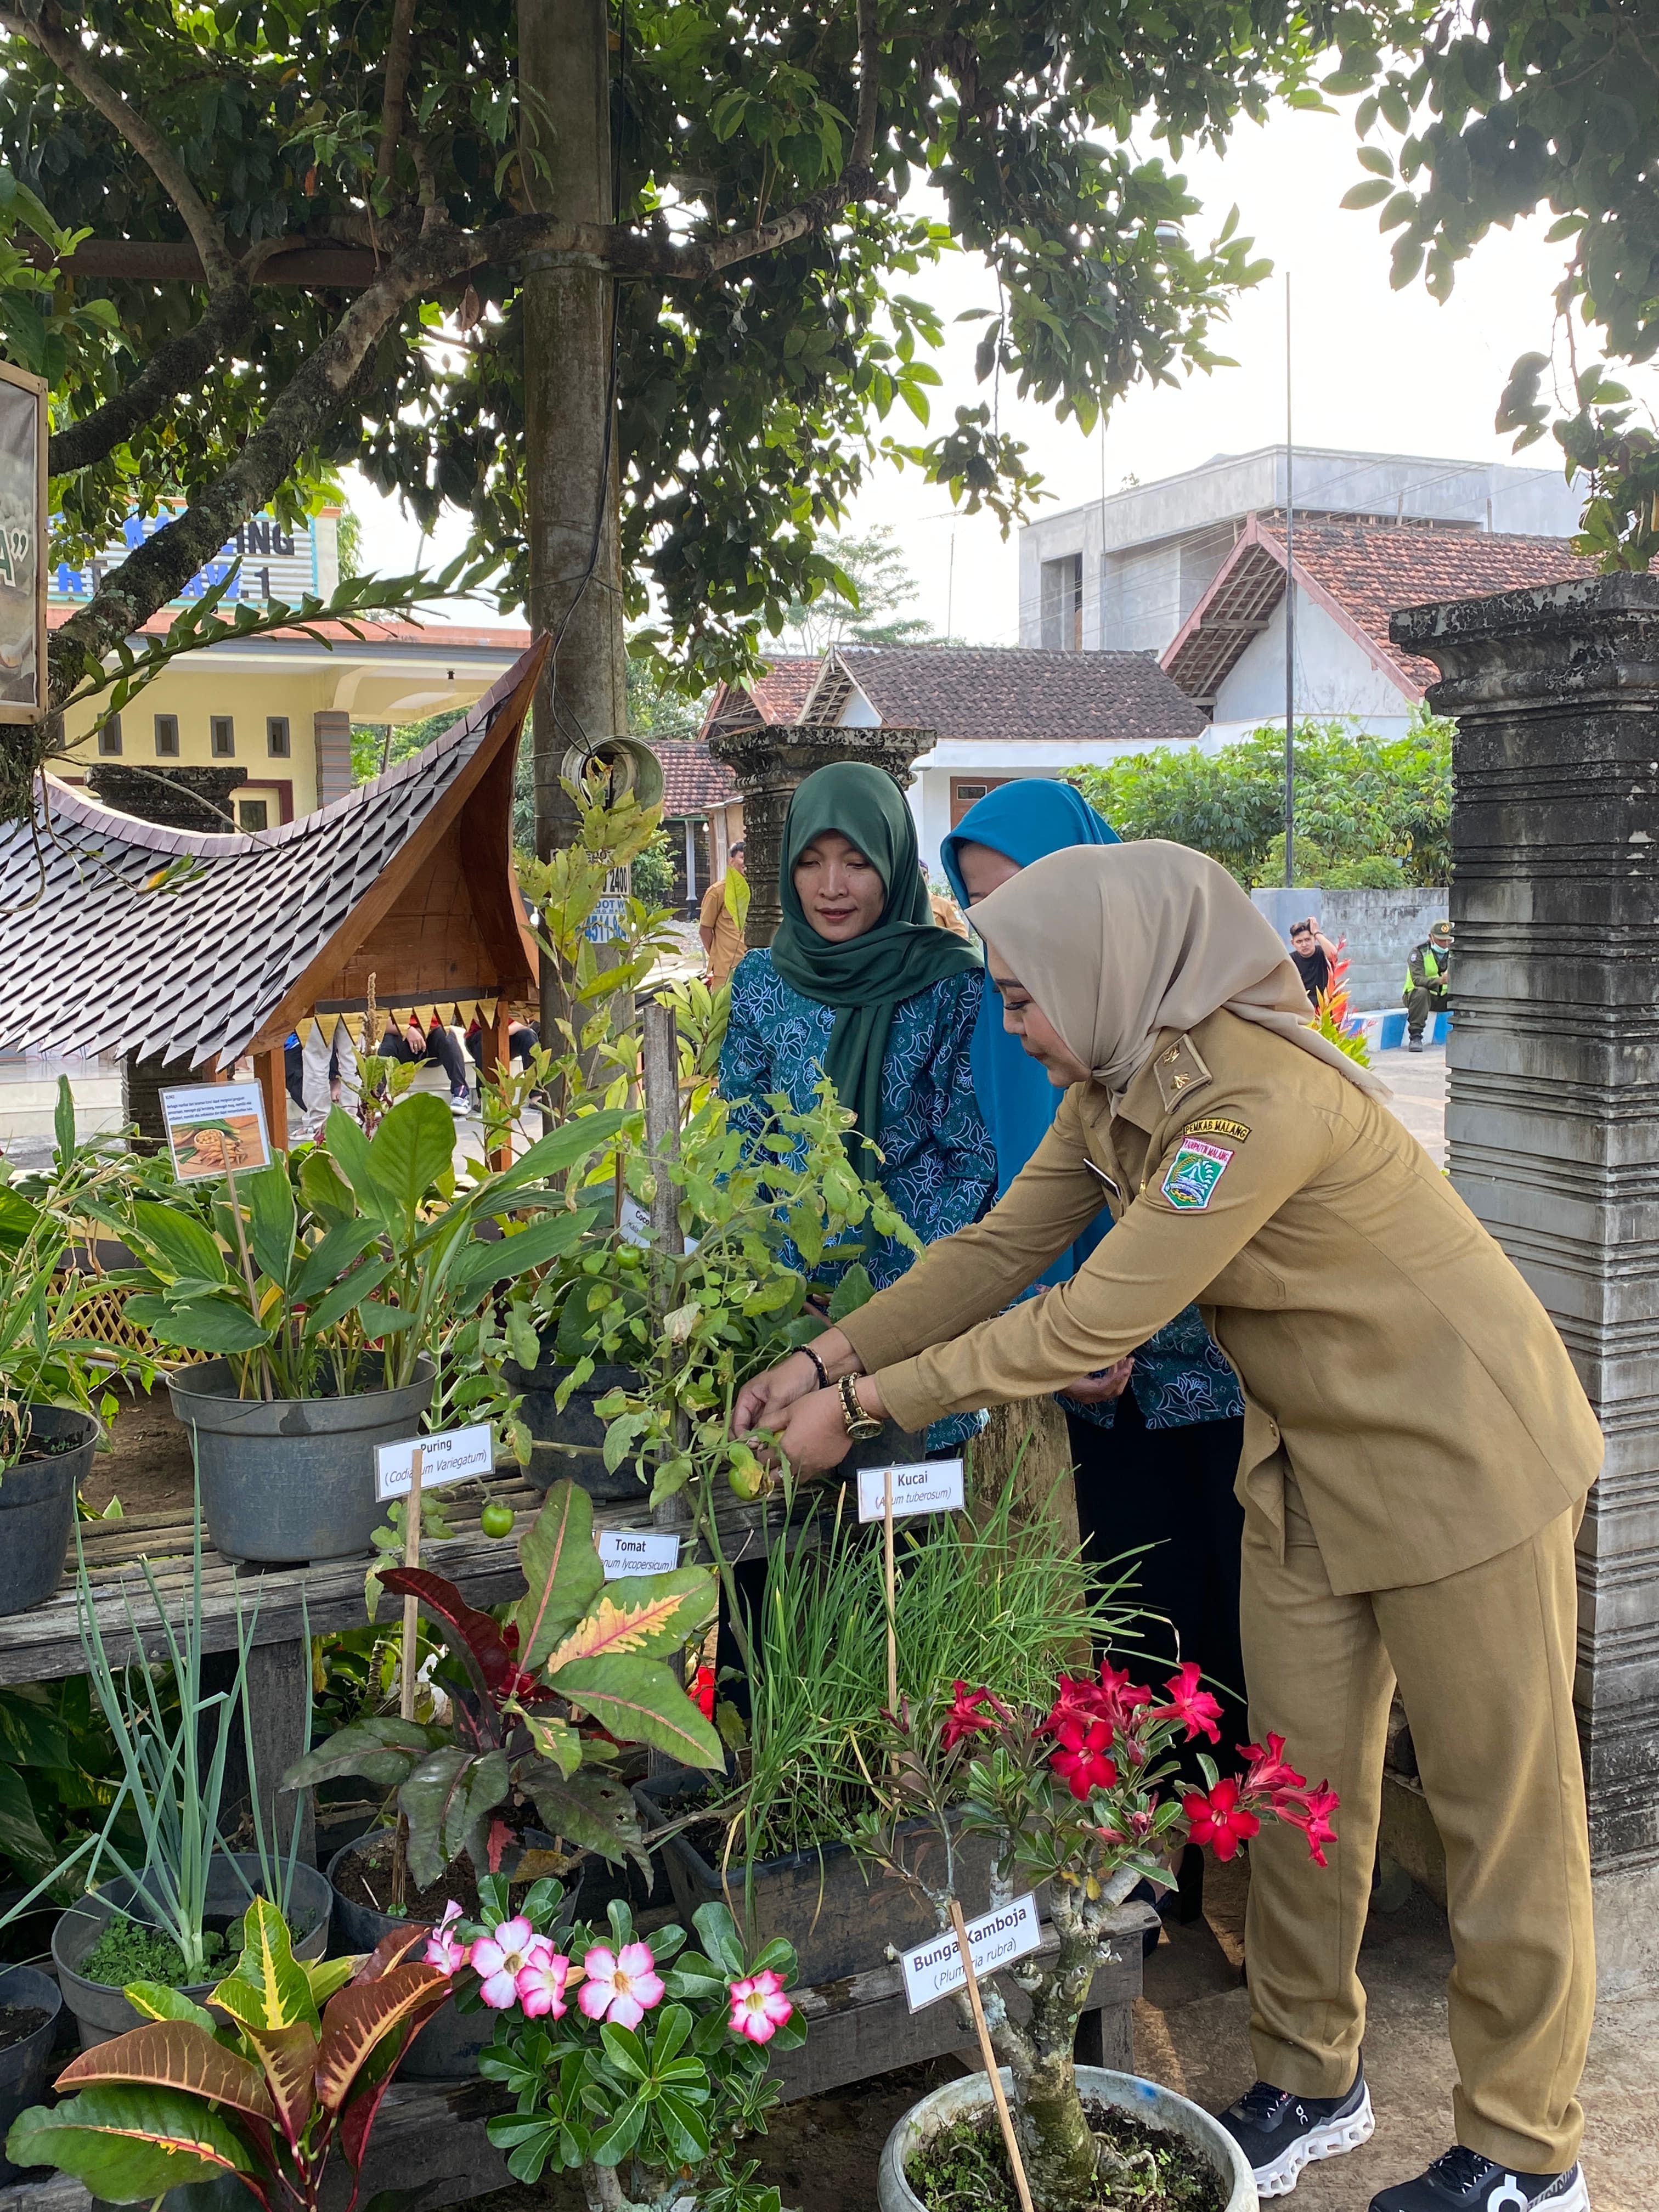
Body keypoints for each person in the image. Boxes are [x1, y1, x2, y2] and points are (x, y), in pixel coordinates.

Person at [734, 842, 1600, 2212]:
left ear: (1103, 971)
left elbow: (1087, 1322)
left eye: (1022, 997)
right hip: (1310, 1461)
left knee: (1508, 1819)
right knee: (1296, 1792)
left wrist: (876, 1405)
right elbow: (992, 1255)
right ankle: (1313, 2076)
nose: (1010, 1024)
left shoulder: (1250, 1106)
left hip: (1463, 1462)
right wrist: (826, 1359)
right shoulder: (1122, 1089)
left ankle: (1526, 2150)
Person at [940, 782, 1248, 1839]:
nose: (1006, 927)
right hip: (1086, 1369)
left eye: (1024, 891)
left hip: (1214, 1370)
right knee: (1133, 1605)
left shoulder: (1210, 1045)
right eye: (981, 906)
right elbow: (1008, 1217)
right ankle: (1152, 1857)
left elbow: (1210, 1203)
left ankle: (1234, 1834)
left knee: (1234, 1609)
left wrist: (855, 1394)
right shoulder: (1022, 1034)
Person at [718, 761, 996, 1453]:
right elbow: (742, 1139)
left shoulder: (952, 986)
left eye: (857, 863)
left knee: (906, 1542)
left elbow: (973, 1165)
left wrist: (875, 1306)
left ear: (895, 865)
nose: (831, 887)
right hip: (778, 1311)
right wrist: (773, 1285)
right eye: (810, 862)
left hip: (910, 1311)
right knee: (776, 1540)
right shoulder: (762, 981)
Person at [378, 1012, 472, 1116]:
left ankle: (461, 1093)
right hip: (399, 1040)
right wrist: (408, 1030)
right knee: (387, 1045)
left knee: (446, 1034)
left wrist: (424, 1030)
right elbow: (378, 1022)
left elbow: (443, 1016)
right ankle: (377, 1097)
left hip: (431, 1039)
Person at [698, 840, 747, 986]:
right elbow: (705, 930)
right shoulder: (717, 892)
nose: (747, 863)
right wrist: (718, 957)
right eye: (743, 858)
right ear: (731, 860)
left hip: (754, 970)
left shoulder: (758, 892)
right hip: (726, 972)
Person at [1404, 919, 1452, 1053]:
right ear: (1431, 937)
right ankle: (1416, 1037)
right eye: (1441, 940)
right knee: (1421, 992)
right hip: (1419, 999)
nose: (1445, 944)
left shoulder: (1455, 952)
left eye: (1448, 940)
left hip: (1444, 998)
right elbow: (1417, 980)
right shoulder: (1418, 953)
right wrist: (1440, 981)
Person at [1288, 917, 1341, 1008]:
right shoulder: (1290, 960)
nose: (1304, 945)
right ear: (1293, 943)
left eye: (1307, 940)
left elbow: (1334, 955)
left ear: (1314, 939)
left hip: (1326, 1008)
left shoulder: (1323, 953)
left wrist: (1317, 932)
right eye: (1299, 942)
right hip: (1303, 1008)